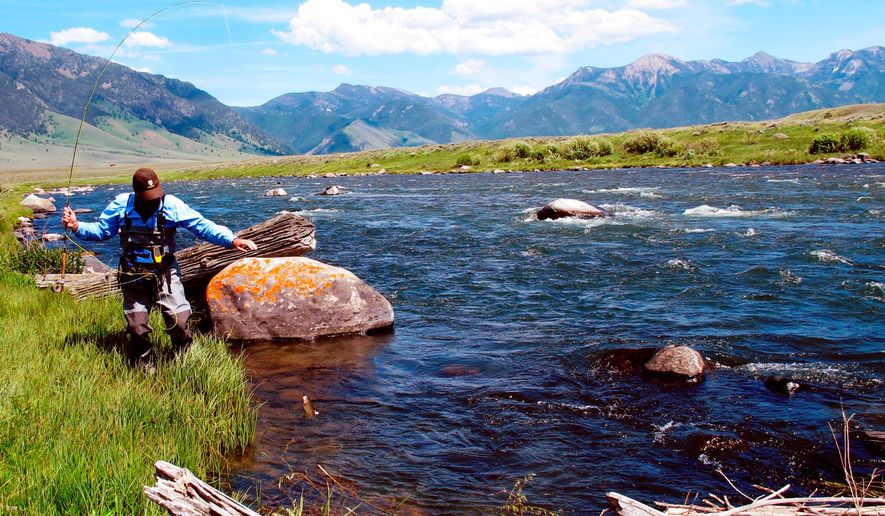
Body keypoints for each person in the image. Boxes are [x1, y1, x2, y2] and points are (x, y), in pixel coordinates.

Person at [62, 168, 257, 367]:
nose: (153, 200)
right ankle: (144, 367)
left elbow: (202, 226)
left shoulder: (171, 204)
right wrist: (76, 226)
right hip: (132, 274)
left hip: (165, 273)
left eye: (155, 194)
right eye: (148, 196)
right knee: (137, 327)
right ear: (136, 192)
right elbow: (101, 231)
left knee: (178, 320)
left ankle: (184, 360)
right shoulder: (121, 205)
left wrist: (232, 240)